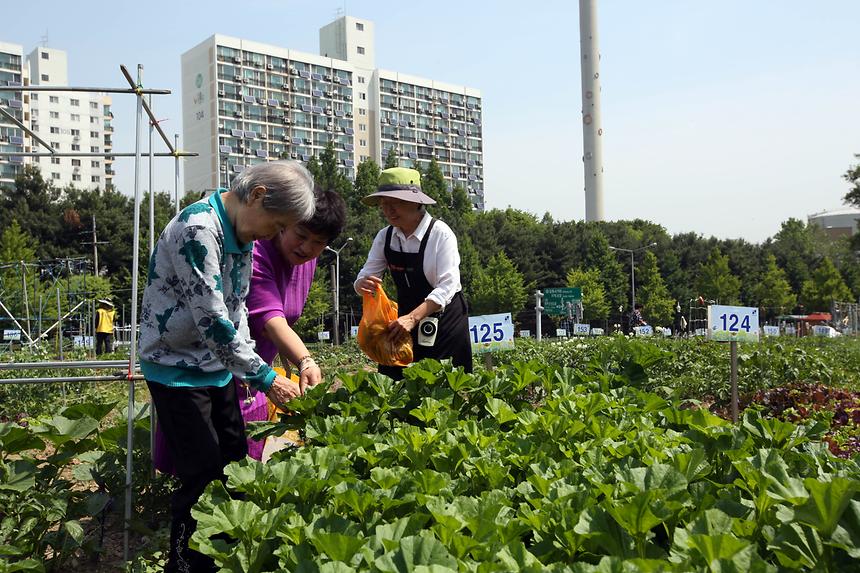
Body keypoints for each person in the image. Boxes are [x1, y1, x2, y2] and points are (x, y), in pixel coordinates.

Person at [139, 160, 315, 573]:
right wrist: (266, 377)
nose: (273, 236)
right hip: (176, 370)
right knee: (200, 475)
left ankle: (221, 558)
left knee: (235, 466)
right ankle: (184, 565)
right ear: (257, 196)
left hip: (215, 369)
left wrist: (245, 369)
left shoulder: (242, 231)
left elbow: (236, 309)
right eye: (276, 225)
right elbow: (213, 322)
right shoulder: (198, 230)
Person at [241, 187, 347, 459]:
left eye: (318, 243)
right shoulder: (257, 251)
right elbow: (269, 318)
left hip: (256, 375)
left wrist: (295, 358)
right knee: (212, 470)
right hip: (225, 368)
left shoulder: (306, 261)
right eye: (301, 235)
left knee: (245, 467)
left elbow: (283, 318)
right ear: (284, 224)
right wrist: (305, 360)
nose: (306, 248)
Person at [354, 167, 472, 380]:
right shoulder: (385, 236)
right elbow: (366, 274)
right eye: (383, 203)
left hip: (444, 319)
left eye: (395, 202)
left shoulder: (440, 234)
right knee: (395, 381)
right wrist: (362, 284)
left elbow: (448, 286)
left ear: (416, 202)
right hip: (404, 320)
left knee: (441, 384)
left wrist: (413, 318)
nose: (388, 210)